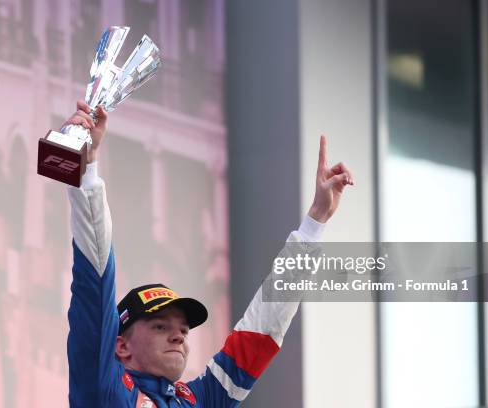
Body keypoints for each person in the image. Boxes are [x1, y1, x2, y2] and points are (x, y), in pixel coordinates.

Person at [64, 100, 354, 407]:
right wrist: (87, 171)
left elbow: (262, 330)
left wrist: (314, 224)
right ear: (121, 346)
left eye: (183, 330)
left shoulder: (199, 401)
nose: (178, 337)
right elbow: (94, 282)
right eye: (161, 327)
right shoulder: (106, 388)